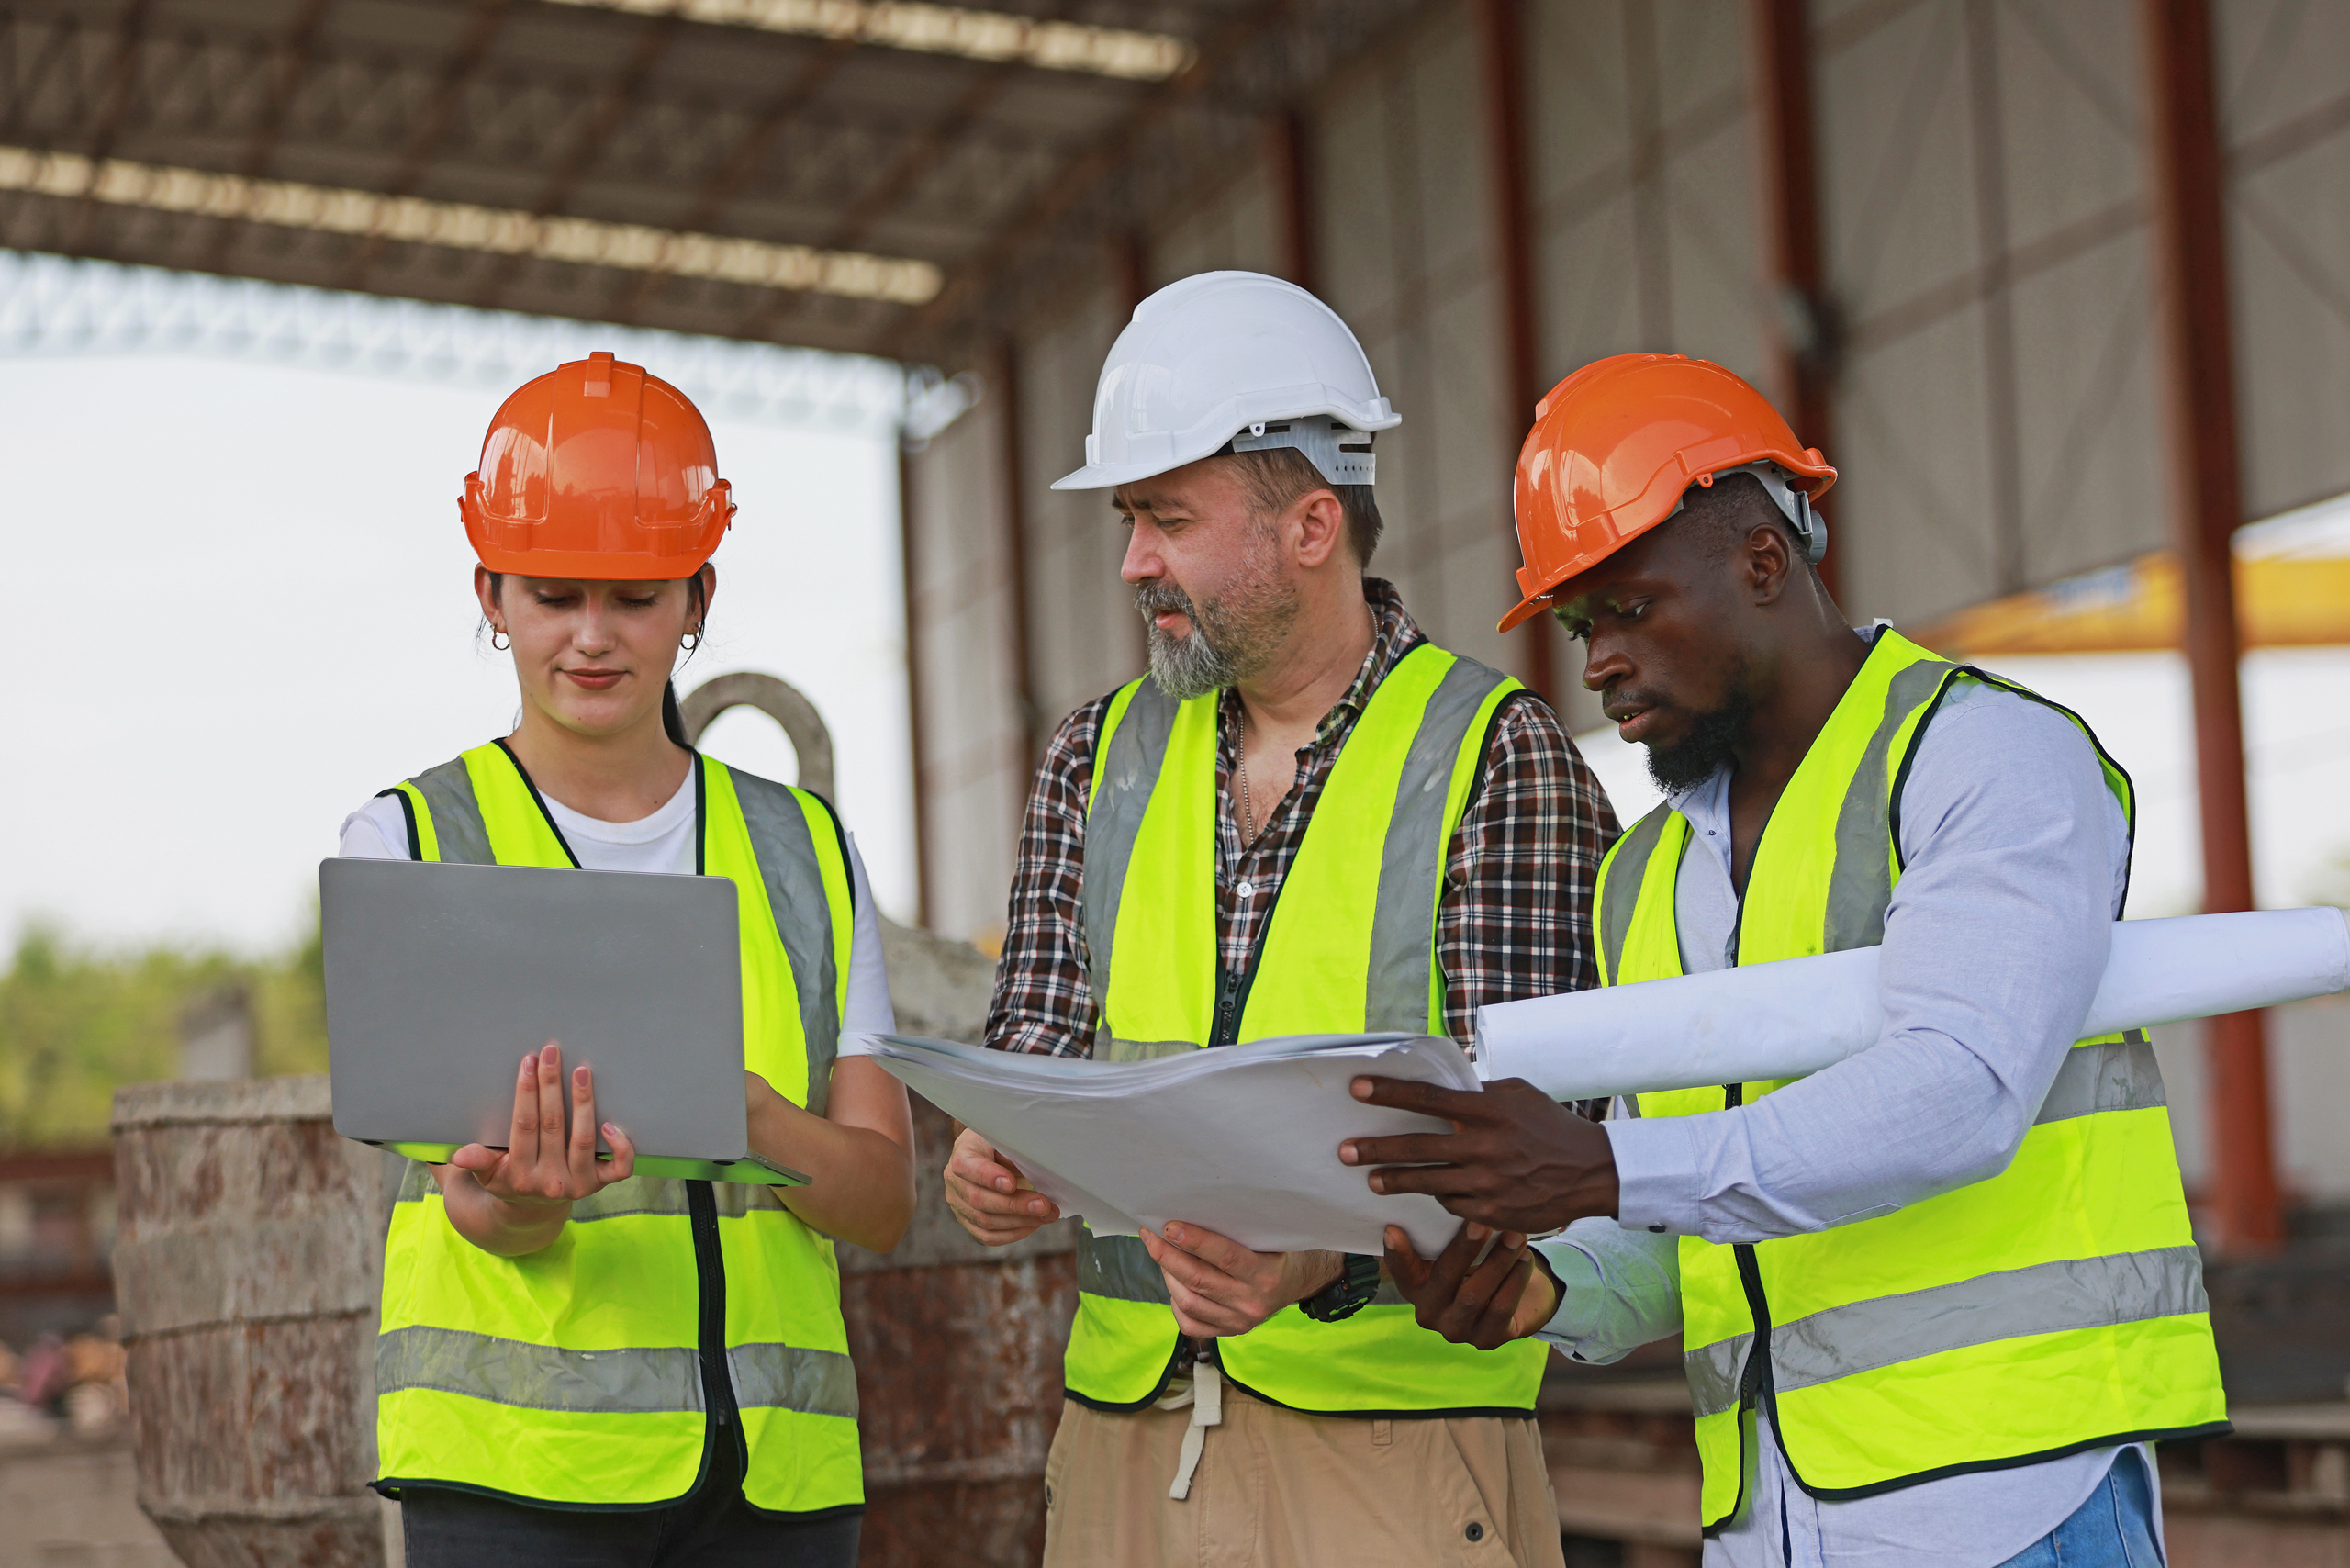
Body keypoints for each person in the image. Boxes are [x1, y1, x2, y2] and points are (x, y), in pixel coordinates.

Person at [1342, 353, 2229, 1567]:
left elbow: (1960, 1091)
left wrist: (1602, 1164)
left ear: (1763, 563)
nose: (1596, 660)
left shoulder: (1985, 761)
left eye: (1631, 605)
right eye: (1578, 623)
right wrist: (1552, 1292)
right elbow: (1700, 1225)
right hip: (1769, 1523)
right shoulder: (1642, 878)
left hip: (2010, 1504)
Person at [939, 272, 1617, 1567]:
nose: (1136, 561)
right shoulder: (1095, 755)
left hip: (1396, 1457)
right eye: (1133, 519)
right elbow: (1035, 1051)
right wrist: (999, 1159)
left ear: (1312, 524)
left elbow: (1552, 1145)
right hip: (1128, 1441)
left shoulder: (1495, 756)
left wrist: (1320, 1265)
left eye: (1169, 519)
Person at [337, 351, 914, 1567]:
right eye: (553, 594)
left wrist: (751, 1118)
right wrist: (521, 1204)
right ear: (490, 594)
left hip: (776, 1487)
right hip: (518, 1487)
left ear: (697, 597)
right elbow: (469, 1203)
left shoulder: (806, 850)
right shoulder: (410, 842)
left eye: (636, 597)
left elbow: (882, 1202)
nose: (592, 638)